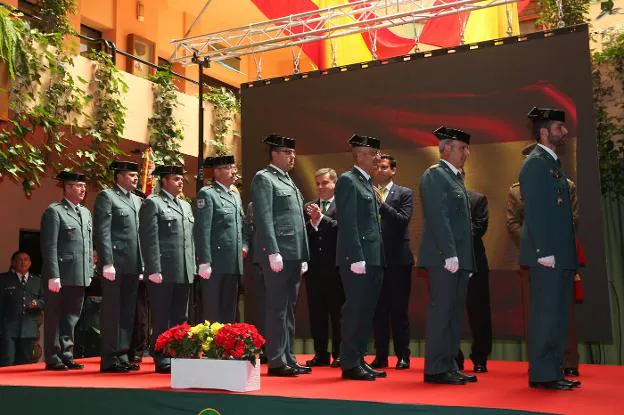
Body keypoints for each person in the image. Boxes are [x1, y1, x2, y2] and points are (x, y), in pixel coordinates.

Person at [506, 143, 582, 378]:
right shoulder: (516, 191)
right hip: (532, 258)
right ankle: (540, 362)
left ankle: (567, 360)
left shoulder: (566, 186)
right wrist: (533, 244)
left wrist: (553, 244)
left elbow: (573, 219)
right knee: (536, 312)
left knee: (562, 311)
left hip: (560, 255)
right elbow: (512, 223)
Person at [519, 107, 580, 390]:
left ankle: (554, 369)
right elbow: (534, 213)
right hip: (547, 256)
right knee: (545, 314)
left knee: (557, 314)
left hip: (561, 255)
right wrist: (543, 252)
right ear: (544, 131)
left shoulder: (552, 163)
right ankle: (543, 374)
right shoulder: (535, 163)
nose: (565, 132)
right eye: (559, 127)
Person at [418, 127, 476, 385]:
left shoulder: (456, 178)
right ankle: (435, 368)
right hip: (444, 257)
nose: (467, 153)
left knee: (453, 312)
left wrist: (466, 259)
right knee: (442, 311)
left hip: (459, 258)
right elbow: (438, 218)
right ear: (447, 148)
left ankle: (449, 364)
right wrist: (449, 253)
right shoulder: (435, 176)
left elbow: (462, 224)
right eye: (462, 148)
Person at [251, 134, 309, 377]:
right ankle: (275, 360)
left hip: (294, 253)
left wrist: (303, 253)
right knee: (276, 308)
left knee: (288, 308)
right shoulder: (264, 179)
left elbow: (297, 222)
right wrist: (272, 251)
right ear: (274, 154)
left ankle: (289, 357)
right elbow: (264, 218)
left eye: (293, 153)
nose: (292, 156)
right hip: (279, 254)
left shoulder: (288, 181)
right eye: (287, 152)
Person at [335, 134, 386, 381]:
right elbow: (348, 222)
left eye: (378, 153)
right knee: (355, 309)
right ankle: (349, 362)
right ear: (359, 154)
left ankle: (359, 358)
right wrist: (356, 256)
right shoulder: (348, 180)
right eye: (374, 153)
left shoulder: (367, 183)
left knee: (367, 310)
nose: (378, 157)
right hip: (357, 258)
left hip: (373, 256)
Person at [139, 165, 196, 374]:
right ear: (163, 181)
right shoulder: (153, 203)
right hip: (162, 271)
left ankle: (178, 353)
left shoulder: (185, 206)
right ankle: (162, 356)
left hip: (183, 269)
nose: (180, 182)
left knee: (180, 316)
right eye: (175, 179)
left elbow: (189, 240)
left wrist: (192, 266)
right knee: (162, 316)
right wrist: (153, 268)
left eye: (181, 179)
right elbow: (149, 238)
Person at [94, 161, 144, 373]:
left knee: (127, 313)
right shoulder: (107, 197)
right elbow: (102, 231)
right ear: (120, 176)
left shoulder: (137, 200)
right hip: (115, 265)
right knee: (113, 313)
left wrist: (142, 264)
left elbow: (140, 236)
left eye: (136, 175)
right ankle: (109, 358)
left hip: (132, 265)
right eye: (132, 175)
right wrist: (107, 262)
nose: (135, 178)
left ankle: (123, 354)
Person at [41, 171, 93, 371]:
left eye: (84, 186)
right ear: (68, 187)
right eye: (79, 186)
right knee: (55, 316)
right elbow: (49, 246)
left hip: (78, 274)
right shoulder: (55, 212)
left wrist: (88, 271)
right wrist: (53, 275)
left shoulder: (85, 213)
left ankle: (67, 354)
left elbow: (87, 246)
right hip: (60, 275)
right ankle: (53, 357)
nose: (83, 189)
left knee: (72, 317)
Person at [371, 154, 413, 370]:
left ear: (393, 170)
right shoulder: (366, 192)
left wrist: (382, 204)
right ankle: (380, 356)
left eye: (385, 167)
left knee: (399, 310)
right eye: (377, 166)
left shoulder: (404, 193)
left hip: (398, 260)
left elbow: (402, 220)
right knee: (378, 310)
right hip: (376, 260)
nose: (379, 170)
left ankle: (403, 355)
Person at [195, 155, 248, 323]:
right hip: (215, 263)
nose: (234, 171)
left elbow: (242, 225)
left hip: (233, 262)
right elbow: (202, 229)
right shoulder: (208, 194)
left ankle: (228, 348)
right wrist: (204, 261)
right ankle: (212, 349)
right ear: (217, 172)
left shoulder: (234, 196)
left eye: (233, 168)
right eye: (229, 168)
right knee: (213, 311)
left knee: (229, 310)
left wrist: (245, 245)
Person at [304, 168, 344, 368]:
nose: (320, 187)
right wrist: (313, 223)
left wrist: (322, 219)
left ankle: (339, 353)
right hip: (314, 270)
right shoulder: (309, 207)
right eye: (317, 183)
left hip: (336, 269)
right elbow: (304, 234)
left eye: (325, 183)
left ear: (335, 184)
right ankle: (321, 353)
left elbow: (342, 230)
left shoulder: (343, 204)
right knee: (317, 313)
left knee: (338, 314)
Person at [456, 183, 492, 373]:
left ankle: (480, 358)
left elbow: (479, 228)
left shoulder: (478, 199)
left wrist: (452, 232)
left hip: (475, 262)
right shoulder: (442, 201)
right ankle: (454, 358)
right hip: (449, 262)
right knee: (450, 313)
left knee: (479, 313)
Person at [0, 251, 44, 366]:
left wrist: (37, 303)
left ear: (30, 263)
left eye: (26, 259)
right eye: (20, 259)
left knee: (25, 363)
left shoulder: (38, 281)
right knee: (7, 361)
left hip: (29, 329)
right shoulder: (4, 280)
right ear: (13, 263)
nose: (23, 262)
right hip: (8, 328)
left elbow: (46, 300)